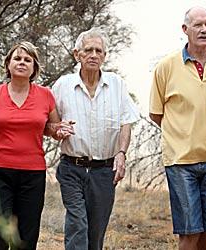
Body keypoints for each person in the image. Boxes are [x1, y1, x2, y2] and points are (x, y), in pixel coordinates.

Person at [0, 41, 73, 250]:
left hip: (32, 175)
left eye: (28, 60)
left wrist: (59, 131)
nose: (22, 63)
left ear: (34, 68)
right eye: (17, 58)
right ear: (8, 63)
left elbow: (51, 128)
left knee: (26, 236)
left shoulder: (45, 95)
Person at [149, 6, 206, 250]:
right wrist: (182, 133)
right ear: (185, 30)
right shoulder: (166, 67)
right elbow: (156, 114)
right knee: (190, 231)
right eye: (198, 25)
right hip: (180, 160)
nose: (204, 29)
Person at [52, 28, 140, 250]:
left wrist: (122, 153)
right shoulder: (63, 85)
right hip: (72, 167)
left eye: (98, 51)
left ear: (104, 56)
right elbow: (48, 123)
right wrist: (56, 129)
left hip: (104, 171)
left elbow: (126, 122)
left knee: (96, 233)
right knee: (77, 224)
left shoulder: (116, 84)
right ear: (77, 54)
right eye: (88, 50)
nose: (93, 55)